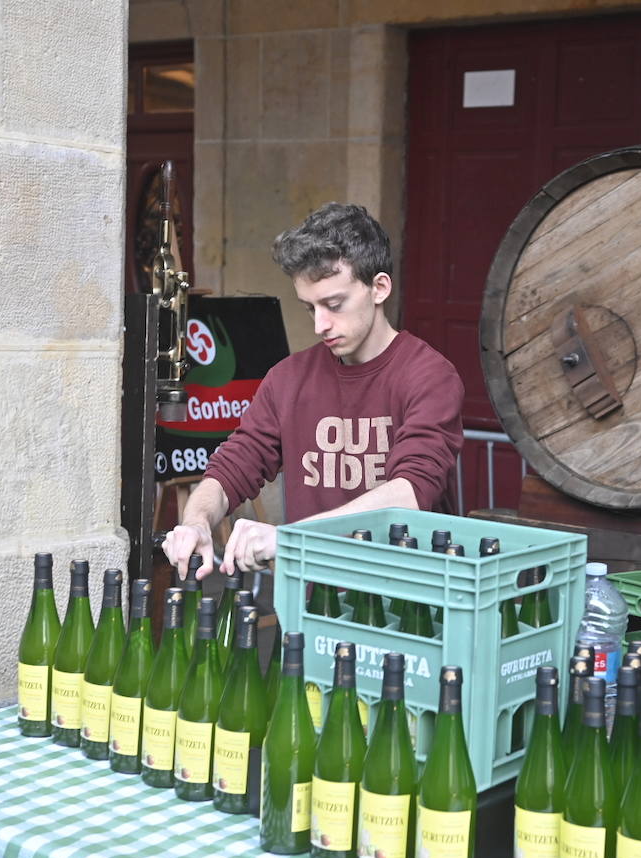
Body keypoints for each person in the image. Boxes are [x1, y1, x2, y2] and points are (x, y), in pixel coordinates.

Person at [161, 202, 464, 578]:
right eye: (309, 308)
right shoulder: (287, 379)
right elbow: (232, 467)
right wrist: (196, 521)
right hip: (312, 600)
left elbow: (411, 493)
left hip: (408, 601)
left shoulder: (429, 376)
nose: (320, 324)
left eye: (334, 304)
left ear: (379, 288)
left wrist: (290, 539)